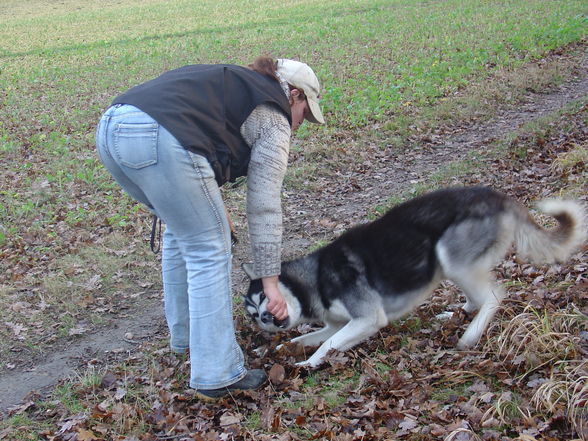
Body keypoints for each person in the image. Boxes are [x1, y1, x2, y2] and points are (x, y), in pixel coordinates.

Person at [95, 57, 324, 400]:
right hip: (161, 137)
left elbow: (197, 127)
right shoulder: (273, 116)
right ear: (293, 95)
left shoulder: (235, 84)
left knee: (182, 231)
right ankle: (217, 374)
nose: (299, 125)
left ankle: (186, 337)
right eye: (304, 114)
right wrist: (269, 281)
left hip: (112, 128)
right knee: (209, 247)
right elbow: (263, 206)